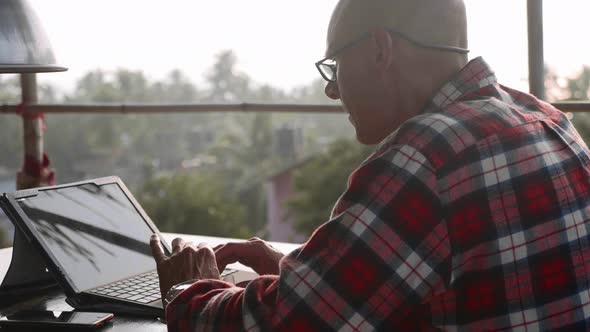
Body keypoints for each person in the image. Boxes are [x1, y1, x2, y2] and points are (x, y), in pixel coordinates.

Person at [150, 0, 590, 330]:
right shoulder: (547, 120)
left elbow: (286, 326)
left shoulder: (426, 155)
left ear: (380, 50)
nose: (332, 91)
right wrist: (297, 270)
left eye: (334, 65)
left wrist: (187, 290)